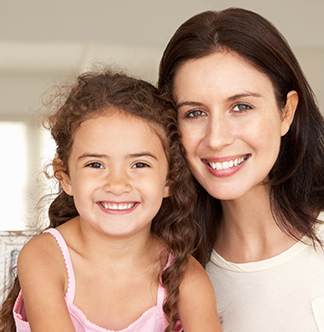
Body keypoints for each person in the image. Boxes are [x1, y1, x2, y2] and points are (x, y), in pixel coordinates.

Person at [0, 69, 222, 332]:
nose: (117, 184)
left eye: (139, 164)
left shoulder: (187, 278)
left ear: (169, 180)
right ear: (66, 177)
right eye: (96, 164)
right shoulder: (44, 258)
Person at [158, 7, 324, 332]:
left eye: (241, 107)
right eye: (194, 113)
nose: (217, 138)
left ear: (287, 112)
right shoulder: (169, 273)